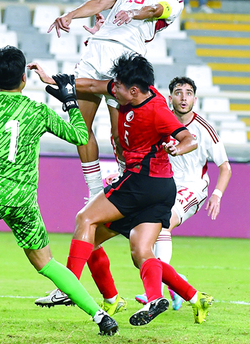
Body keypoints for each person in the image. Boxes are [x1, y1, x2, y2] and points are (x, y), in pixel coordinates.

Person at [0, 46, 118, 336]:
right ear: (24, 78)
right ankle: (100, 316)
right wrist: (71, 102)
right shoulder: (37, 111)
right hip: (24, 202)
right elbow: (79, 136)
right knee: (46, 263)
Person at [28, 53, 214, 327]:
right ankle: (190, 298)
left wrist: (177, 147)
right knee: (139, 251)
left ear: (134, 90)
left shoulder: (157, 110)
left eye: (119, 88)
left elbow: (189, 138)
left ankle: (67, 288)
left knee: (85, 219)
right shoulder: (129, 90)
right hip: (161, 189)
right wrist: (52, 79)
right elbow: (93, 85)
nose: (113, 90)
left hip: (140, 183)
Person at [47, 0, 189, 207]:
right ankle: (94, 192)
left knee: (119, 134)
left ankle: (127, 181)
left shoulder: (173, 1)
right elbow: (99, 3)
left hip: (125, 62)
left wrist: (133, 13)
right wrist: (71, 15)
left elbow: (154, 10)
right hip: (95, 53)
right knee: (80, 129)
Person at [129, 75, 232, 310]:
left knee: (163, 224)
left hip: (194, 187)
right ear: (170, 98)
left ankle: (156, 291)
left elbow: (225, 167)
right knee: (143, 235)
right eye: (178, 93)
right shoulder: (162, 122)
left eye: (188, 93)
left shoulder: (205, 129)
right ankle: (175, 284)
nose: (183, 98)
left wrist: (217, 195)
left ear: (194, 99)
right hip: (166, 187)